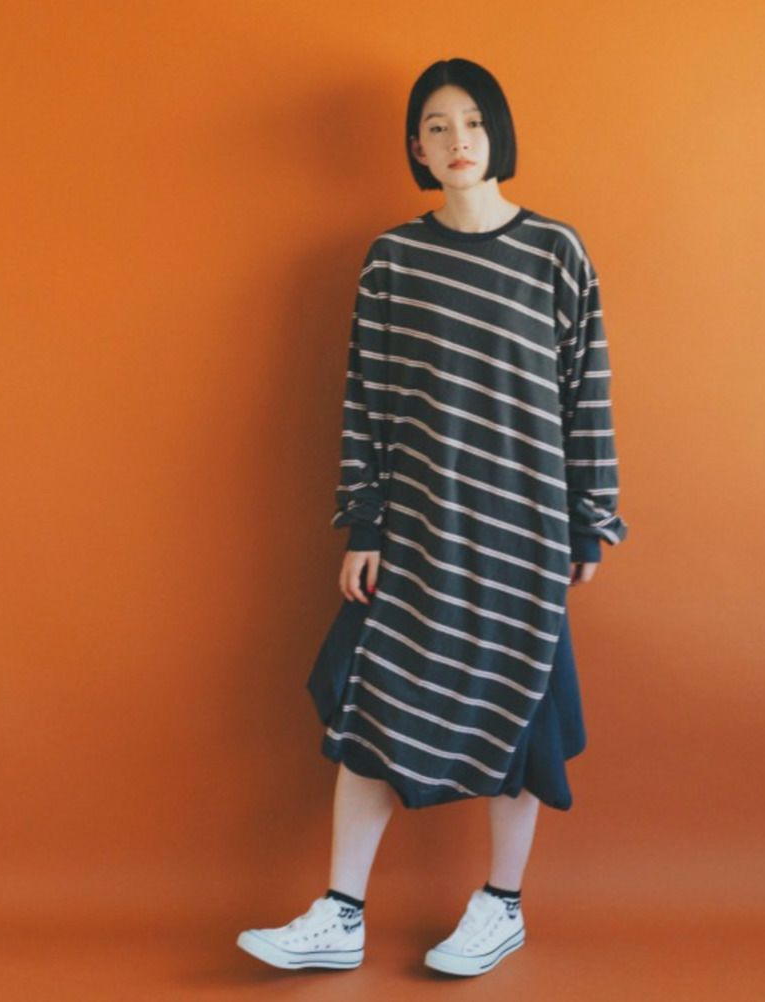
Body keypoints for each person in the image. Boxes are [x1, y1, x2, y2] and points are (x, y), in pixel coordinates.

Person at [237, 56, 628, 978]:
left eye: (474, 123)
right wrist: (364, 525)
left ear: (499, 133)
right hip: (420, 527)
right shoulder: (394, 261)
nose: (458, 141)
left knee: (525, 708)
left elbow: (587, 391)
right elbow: (366, 401)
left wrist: (589, 521)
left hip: (525, 527)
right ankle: (340, 915)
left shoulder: (556, 252)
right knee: (375, 700)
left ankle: (501, 906)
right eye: (438, 127)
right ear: (416, 146)